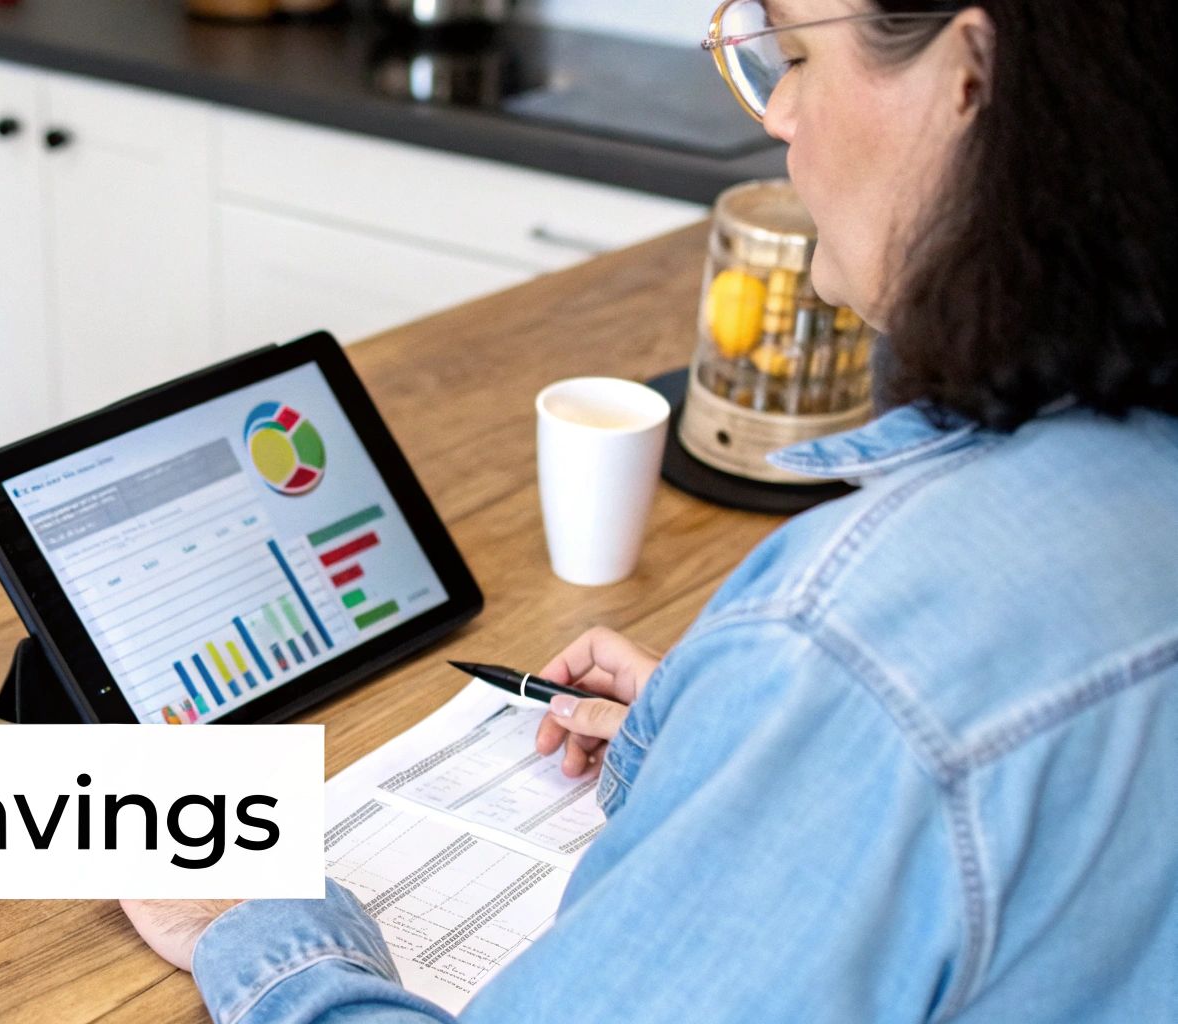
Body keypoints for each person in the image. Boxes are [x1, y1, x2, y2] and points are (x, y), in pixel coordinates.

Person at [122, 0, 1177, 1019]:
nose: (774, 113)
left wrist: (269, 933)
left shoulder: (855, 644)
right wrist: (740, 741)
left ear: (966, 81)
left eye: (797, 53)